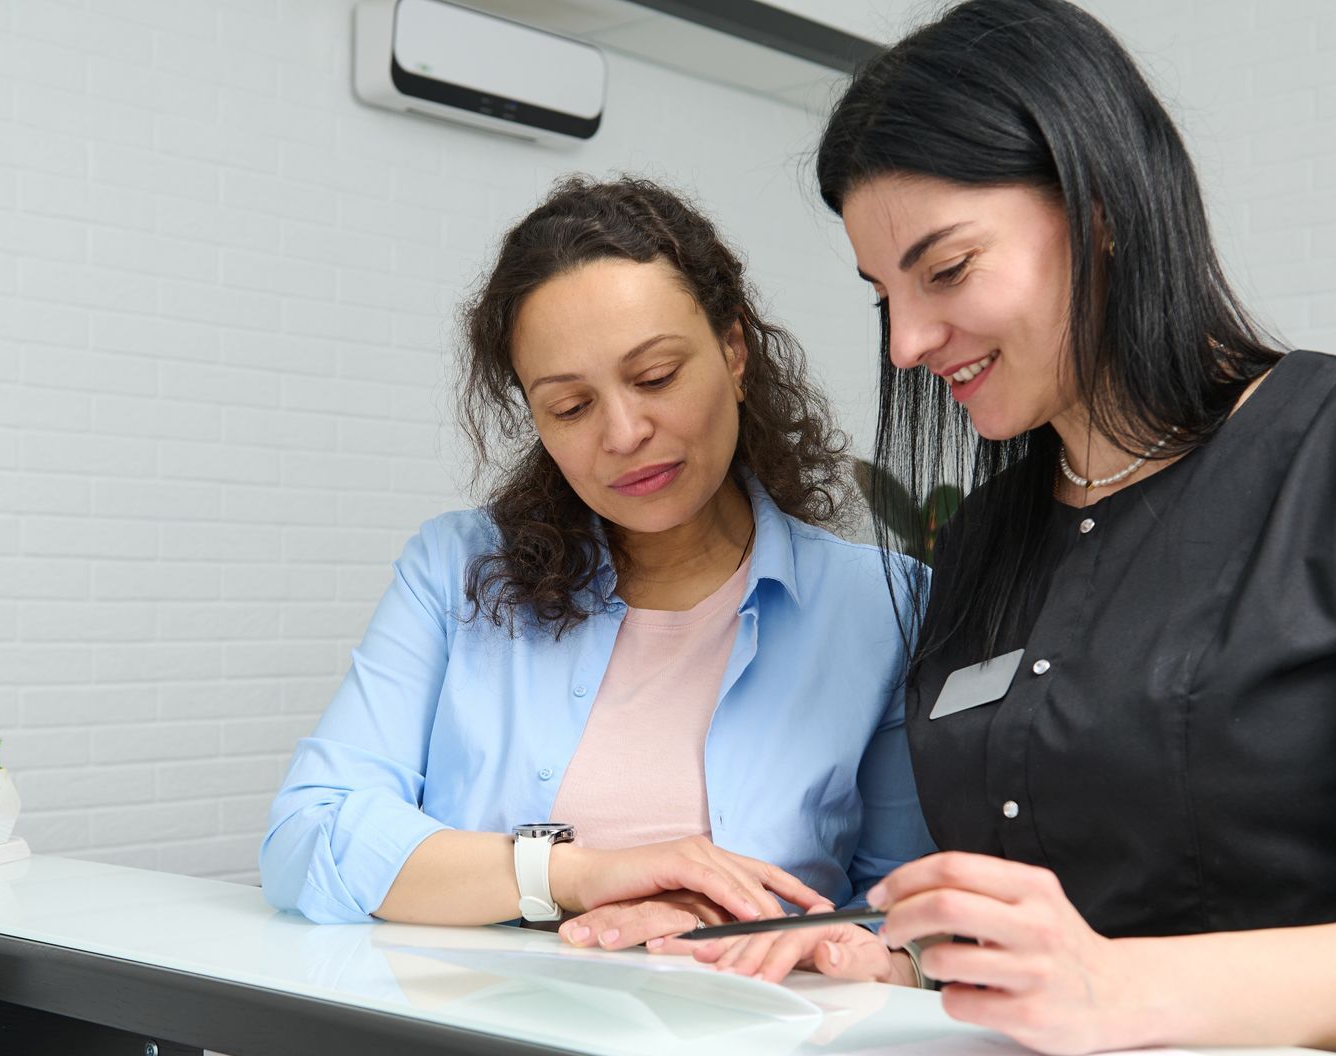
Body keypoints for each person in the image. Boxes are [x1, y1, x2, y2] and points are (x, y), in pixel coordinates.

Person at [693, 0, 1336, 1056]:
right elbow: (1056, 920)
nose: (906, 343)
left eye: (946, 270)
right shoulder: (989, 536)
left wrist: (1118, 987)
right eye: (883, 296)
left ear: (1099, 209)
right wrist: (897, 960)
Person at [261, 176, 933, 986]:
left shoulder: (885, 606)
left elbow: (892, 905)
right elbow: (307, 835)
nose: (624, 433)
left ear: (733, 350)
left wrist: (861, 954)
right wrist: (574, 874)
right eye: (571, 408)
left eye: (654, 377)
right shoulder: (456, 572)